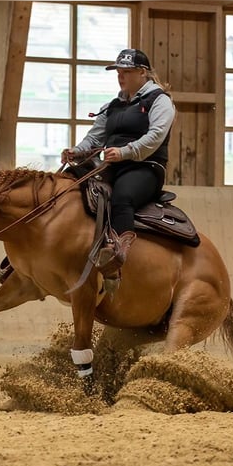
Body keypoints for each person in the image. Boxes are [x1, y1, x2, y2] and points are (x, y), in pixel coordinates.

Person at [62, 48, 176, 291]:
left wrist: (125, 152)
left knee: (122, 197)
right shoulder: (112, 105)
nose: (120, 77)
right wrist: (76, 151)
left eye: (126, 72)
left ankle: (119, 255)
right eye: (119, 72)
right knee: (69, 181)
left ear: (142, 73)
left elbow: (155, 137)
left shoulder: (160, 101)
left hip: (146, 166)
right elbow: (93, 139)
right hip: (112, 164)